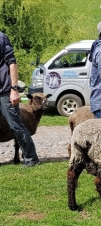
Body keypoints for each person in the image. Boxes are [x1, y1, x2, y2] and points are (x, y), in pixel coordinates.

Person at [0, 32, 39, 167]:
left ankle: (31, 158)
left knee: (15, 124)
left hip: (5, 91)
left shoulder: (1, 38)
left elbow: (12, 63)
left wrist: (14, 89)